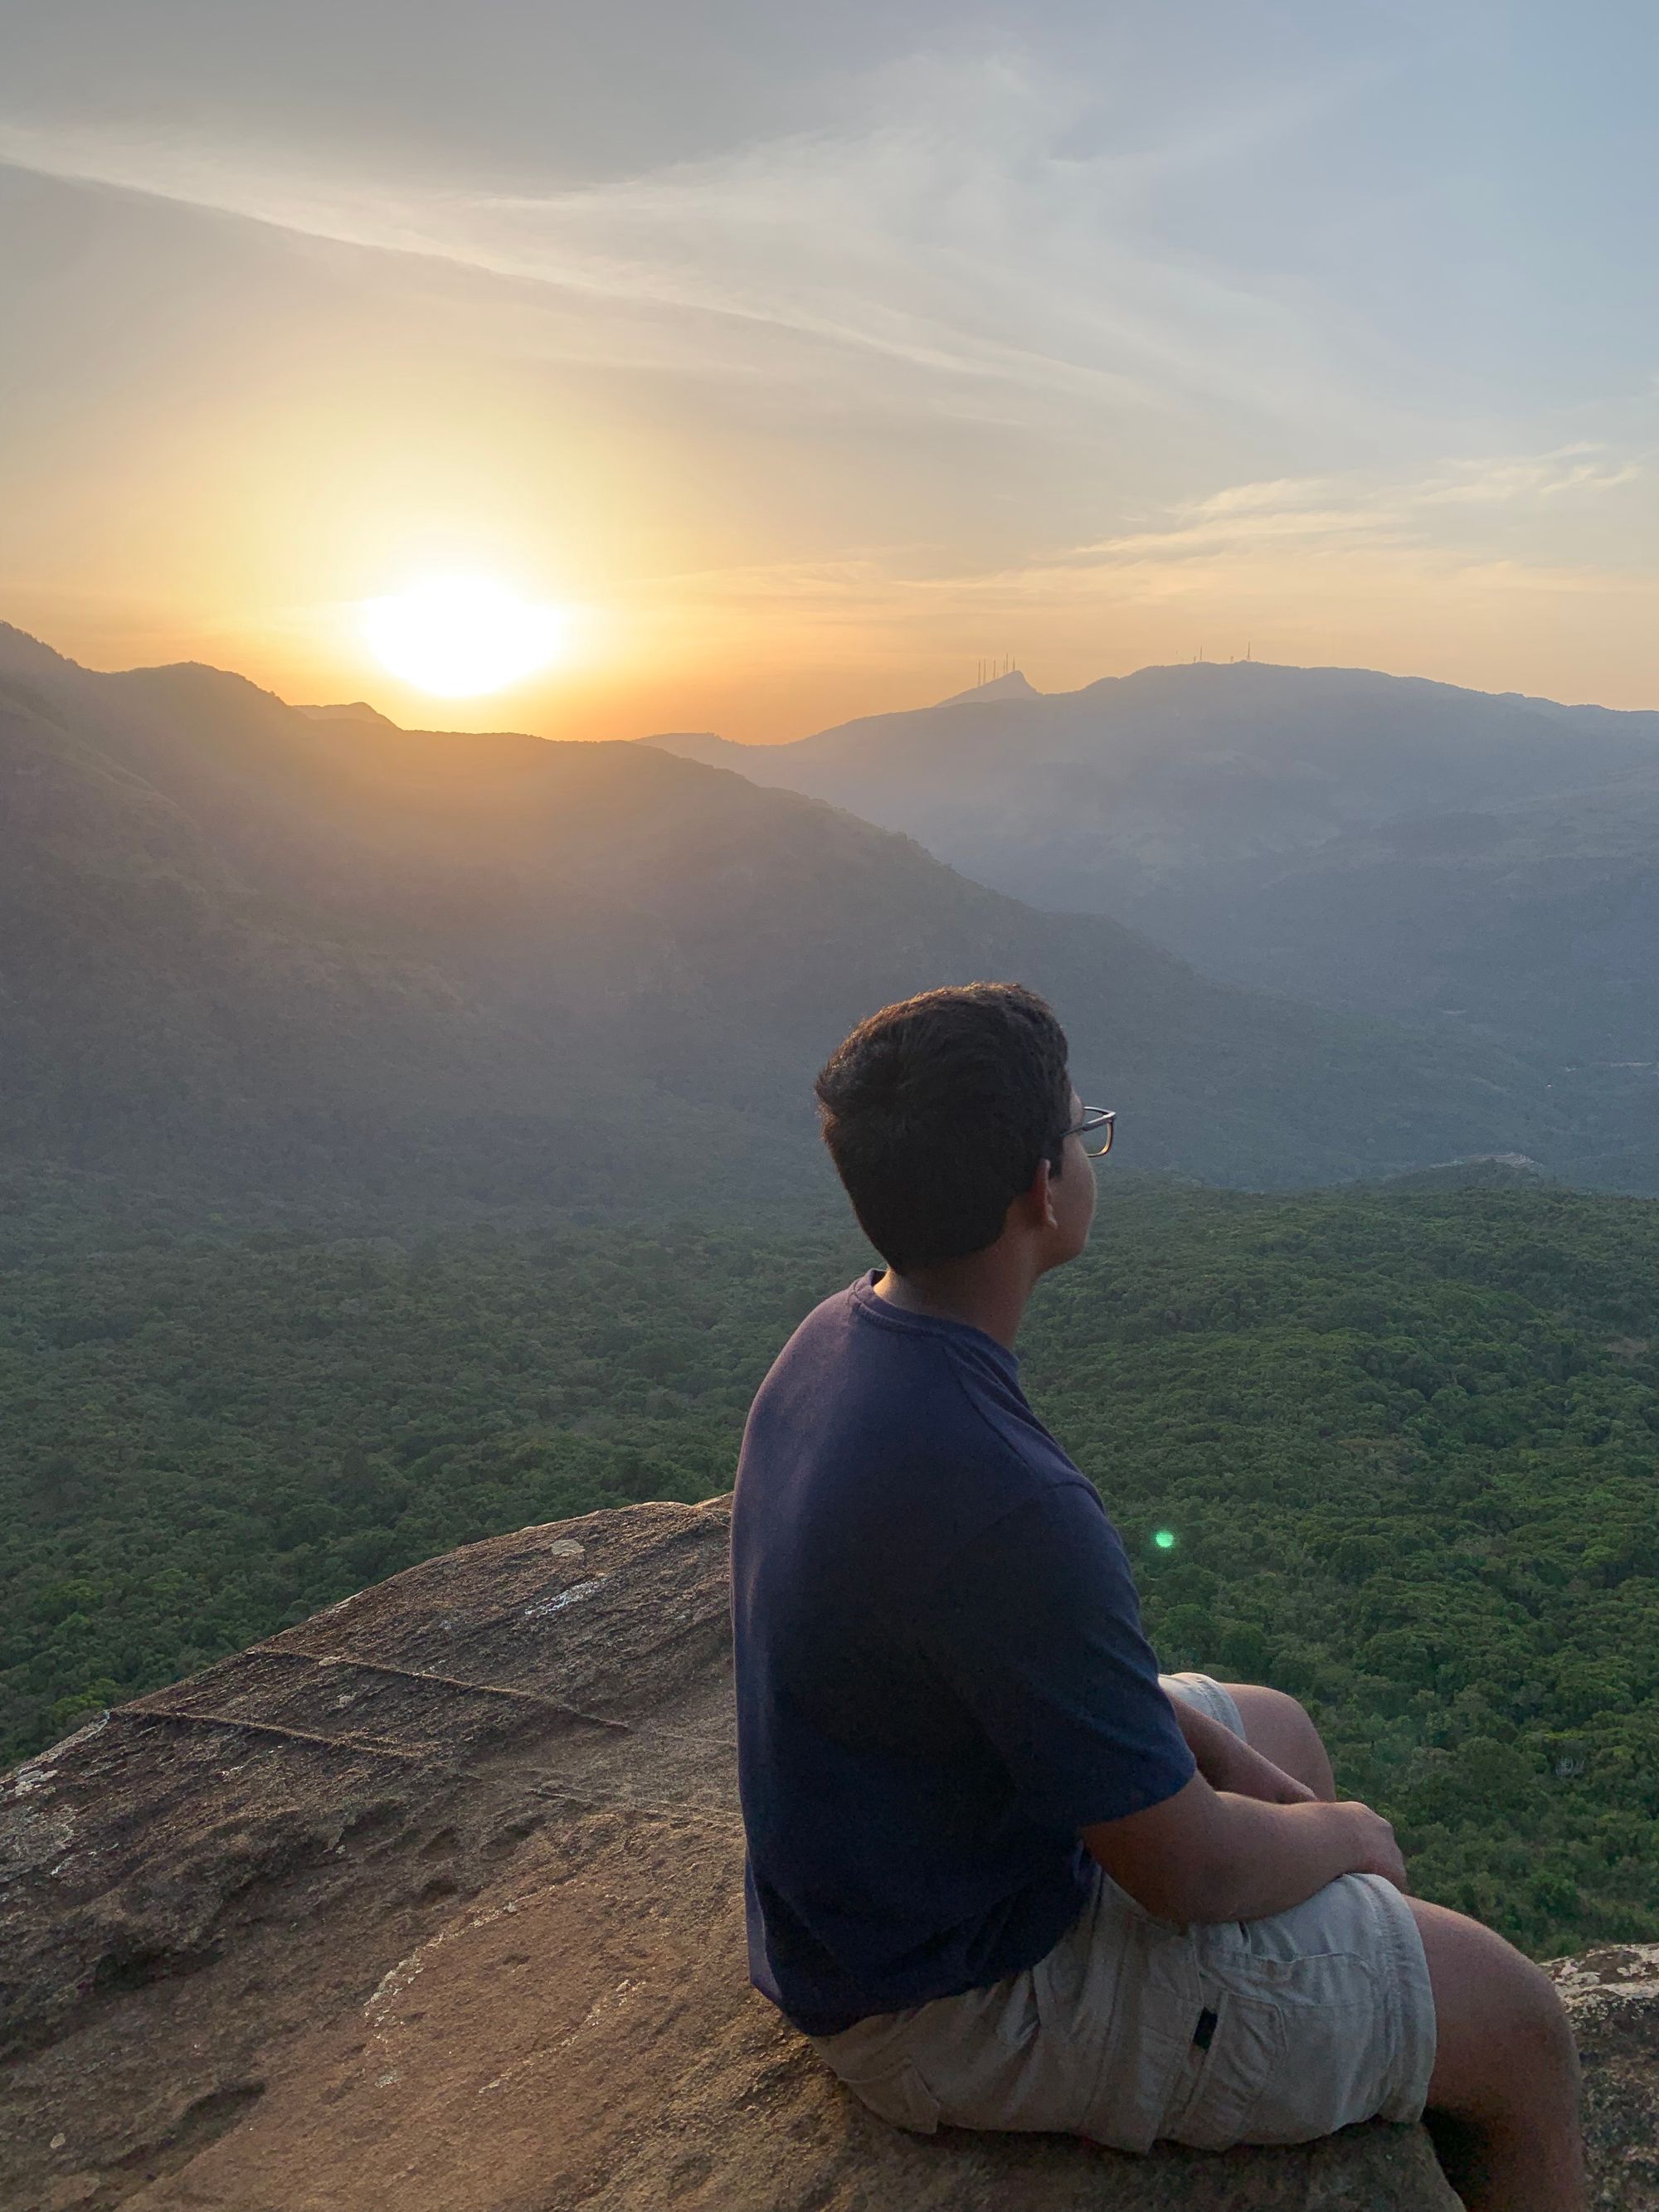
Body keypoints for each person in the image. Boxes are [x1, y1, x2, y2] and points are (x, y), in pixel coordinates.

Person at [729, 983, 1584, 2211]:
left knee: (1275, 1727)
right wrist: (1345, 1836)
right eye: (1086, 1130)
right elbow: (1189, 1879)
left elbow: (1036, 1667)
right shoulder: (1004, 1500)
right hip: (954, 1995)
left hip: (905, 1880)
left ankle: (1366, 2021)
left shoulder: (844, 1337)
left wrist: (1281, 1795)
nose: (1090, 1152)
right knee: (1520, 2024)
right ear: (1040, 1189)